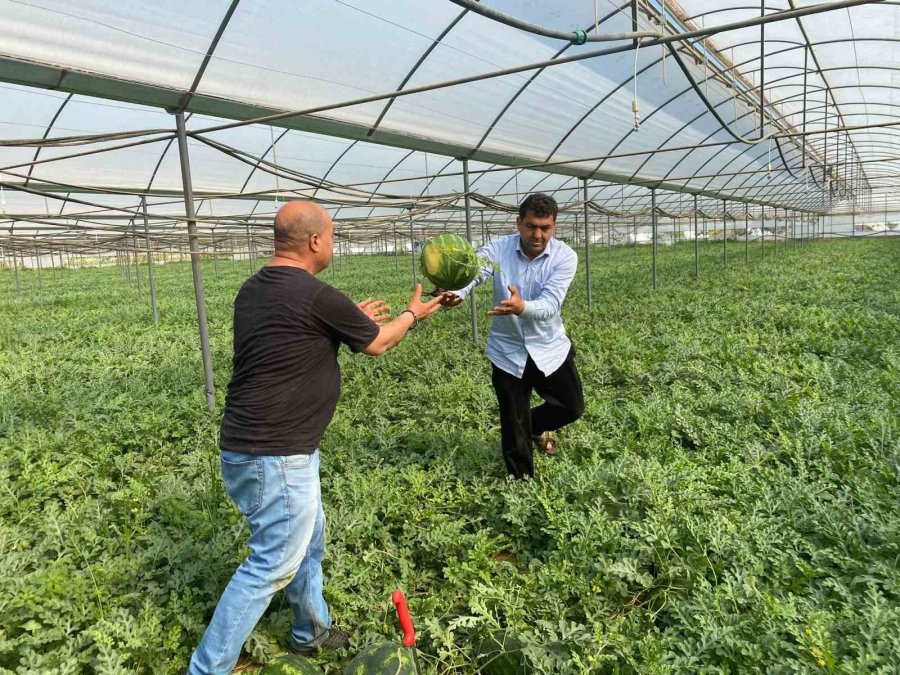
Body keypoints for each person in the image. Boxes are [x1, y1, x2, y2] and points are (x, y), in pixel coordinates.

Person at [188, 201, 445, 674]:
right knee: (271, 565)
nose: (332, 242)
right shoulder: (315, 295)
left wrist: (346, 318)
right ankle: (206, 669)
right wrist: (412, 314)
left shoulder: (252, 290)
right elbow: (379, 343)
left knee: (309, 542)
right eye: (331, 235)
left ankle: (310, 632)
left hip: (252, 446)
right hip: (277, 454)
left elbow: (291, 339)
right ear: (313, 241)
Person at [441, 193, 584, 479]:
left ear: (554, 227)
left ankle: (533, 426)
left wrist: (522, 307)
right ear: (518, 223)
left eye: (545, 228)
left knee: (572, 407)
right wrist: (457, 292)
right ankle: (522, 484)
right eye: (531, 226)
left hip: (549, 347)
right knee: (512, 422)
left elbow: (551, 304)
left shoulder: (564, 256)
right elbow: (475, 272)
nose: (538, 234)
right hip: (507, 351)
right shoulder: (498, 248)